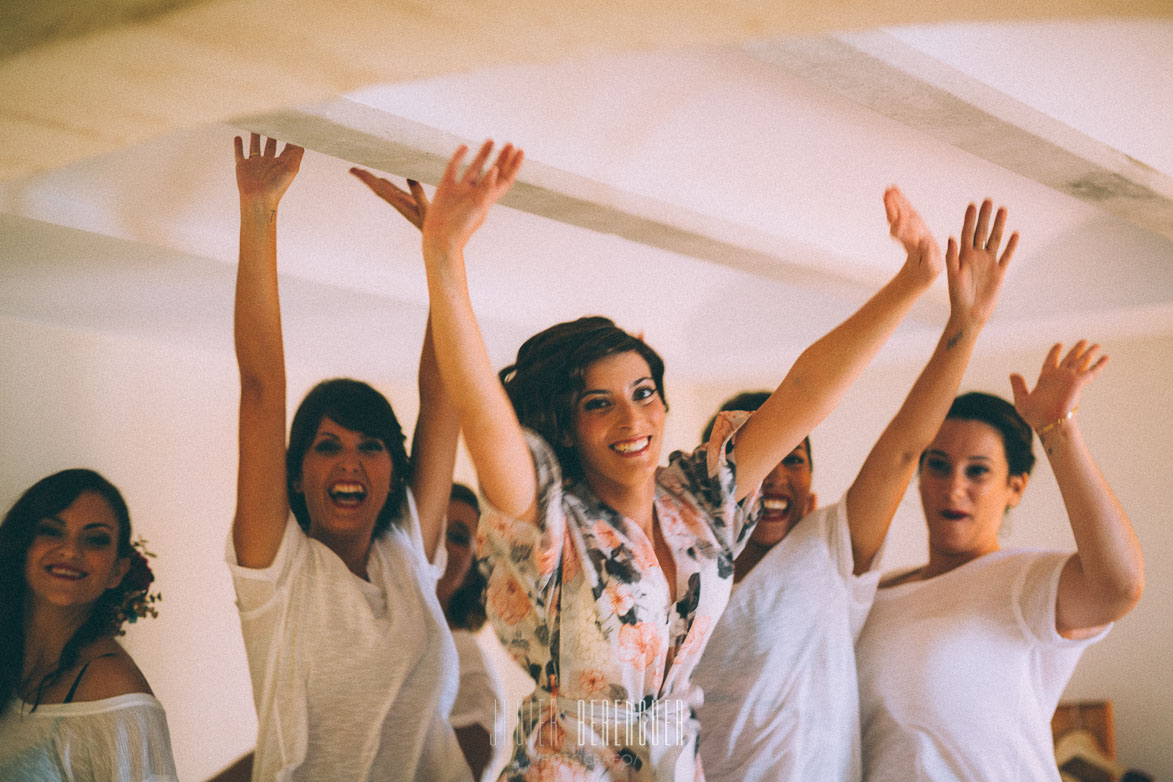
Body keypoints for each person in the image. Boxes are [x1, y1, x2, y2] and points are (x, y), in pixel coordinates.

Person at [373, 137, 950, 779]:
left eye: (643, 393)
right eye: (600, 404)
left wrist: (912, 281)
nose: (633, 419)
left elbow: (807, 392)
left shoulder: (698, 501)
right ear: (566, 427)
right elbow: (482, 414)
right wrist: (445, 257)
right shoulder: (551, 521)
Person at [694, 200, 1016, 781]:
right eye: (748, 455)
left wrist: (963, 323)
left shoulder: (828, 548)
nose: (769, 473)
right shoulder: (678, 566)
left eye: (789, 456)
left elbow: (902, 449)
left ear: (811, 491)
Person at [227, 133, 469, 781]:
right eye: (326, 446)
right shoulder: (275, 574)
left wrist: (441, 250)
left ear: (394, 470)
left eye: (370, 447)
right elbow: (260, 389)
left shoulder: (406, 555)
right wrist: (260, 211)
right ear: (297, 477)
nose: (349, 464)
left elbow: (443, 398)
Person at [856, 345, 1145, 781]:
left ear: (1016, 487)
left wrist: (1056, 429)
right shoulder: (877, 591)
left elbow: (1118, 587)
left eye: (977, 471)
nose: (954, 487)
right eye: (938, 465)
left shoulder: (1027, 579)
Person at [0, 468, 177, 781]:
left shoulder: (114, 689)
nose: (70, 550)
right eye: (51, 531)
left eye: (95, 539)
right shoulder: (9, 658)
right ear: (21, 547)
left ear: (118, 570)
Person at [436, 484, 509, 782]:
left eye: (456, 537)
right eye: (429, 524)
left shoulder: (463, 660)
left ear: (471, 570)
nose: (438, 542)